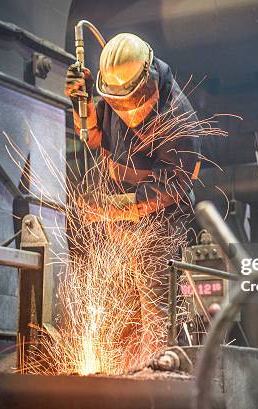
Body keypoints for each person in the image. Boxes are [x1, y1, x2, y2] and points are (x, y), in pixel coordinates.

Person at [65, 32, 201, 353]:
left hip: (162, 222)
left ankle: (164, 374)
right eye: (117, 102)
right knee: (116, 308)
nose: (126, 110)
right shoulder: (113, 95)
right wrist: (79, 102)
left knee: (156, 308)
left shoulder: (179, 117)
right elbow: (94, 137)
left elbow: (172, 186)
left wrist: (113, 206)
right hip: (119, 221)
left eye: (132, 101)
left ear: (149, 77)